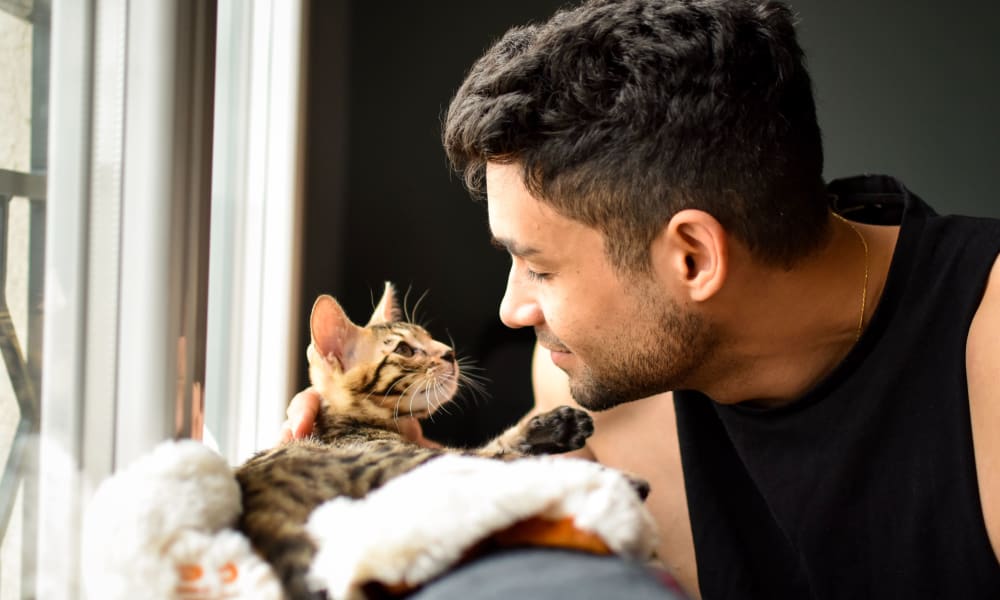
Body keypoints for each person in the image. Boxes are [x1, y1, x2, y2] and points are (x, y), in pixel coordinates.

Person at [284, 0, 1000, 597]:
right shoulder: (588, 388)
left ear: (691, 257)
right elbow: (523, 546)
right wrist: (405, 478)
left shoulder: (987, 349)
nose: (512, 310)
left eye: (538, 268)